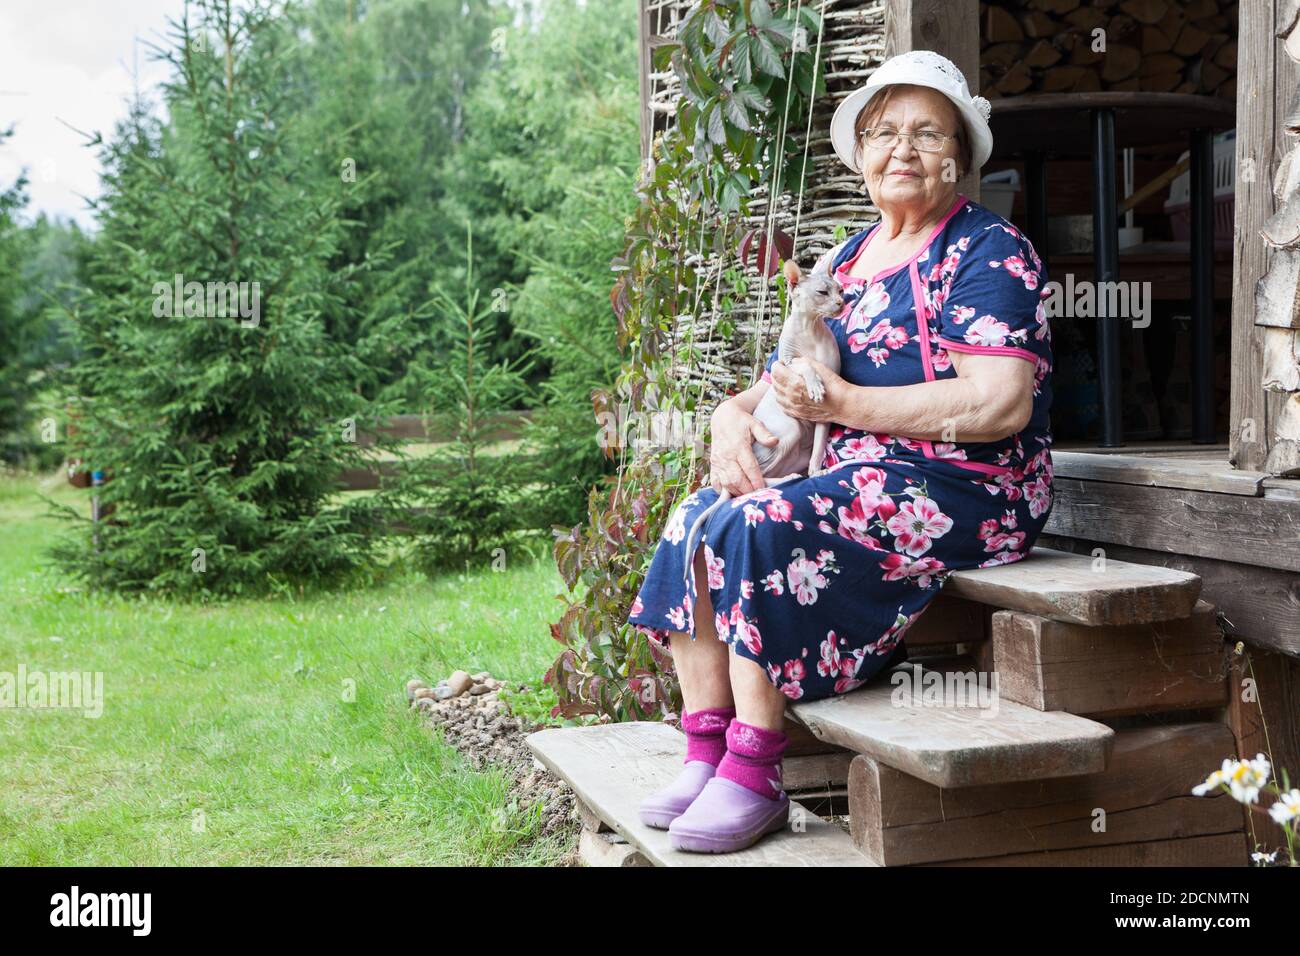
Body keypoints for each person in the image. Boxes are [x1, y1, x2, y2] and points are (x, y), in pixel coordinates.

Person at [626, 49, 1054, 854]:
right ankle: (705, 746)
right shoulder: (846, 261)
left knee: (759, 523)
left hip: (966, 482)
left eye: (928, 133)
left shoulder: (987, 251)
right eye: (885, 132)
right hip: (855, 474)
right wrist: (726, 417)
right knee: (697, 516)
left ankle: (755, 770)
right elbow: (786, 382)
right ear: (859, 156)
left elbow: (999, 403)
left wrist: (851, 407)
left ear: (959, 156)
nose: (904, 150)